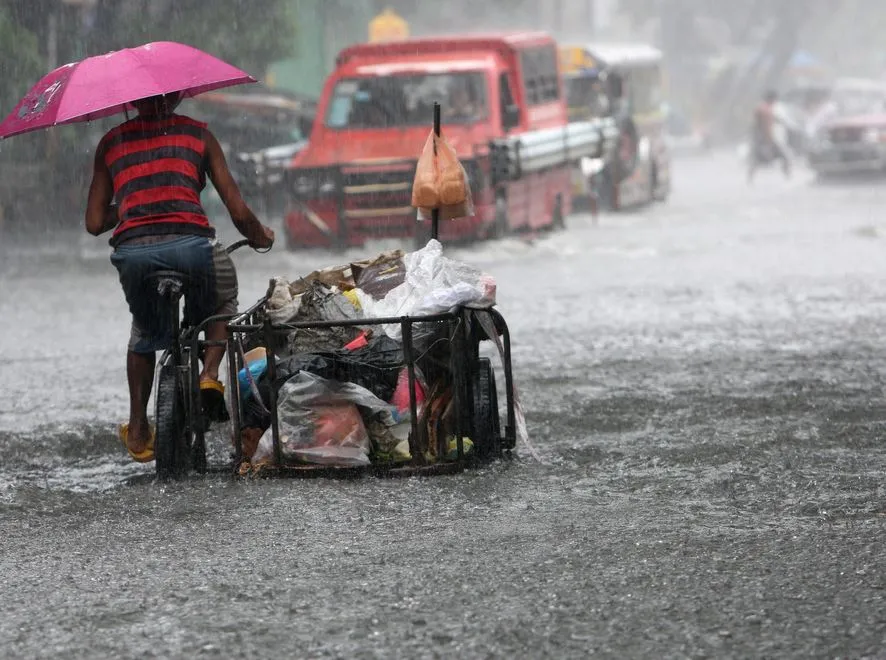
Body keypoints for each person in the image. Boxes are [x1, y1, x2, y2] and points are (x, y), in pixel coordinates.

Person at [84, 92, 275, 463]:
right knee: (220, 299)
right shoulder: (198, 136)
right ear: (175, 96)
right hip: (192, 247)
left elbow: (93, 222)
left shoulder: (110, 143)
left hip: (134, 254)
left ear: (132, 102)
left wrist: (126, 206)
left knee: (143, 329)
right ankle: (209, 373)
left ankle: (138, 427)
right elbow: (237, 210)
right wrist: (260, 236)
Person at [748, 89, 791, 182]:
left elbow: (760, 122)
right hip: (765, 138)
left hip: (760, 138)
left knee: (757, 159)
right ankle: (787, 176)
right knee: (784, 156)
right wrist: (768, 140)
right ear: (771, 99)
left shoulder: (763, 108)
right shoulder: (765, 110)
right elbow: (765, 126)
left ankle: (750, 178)